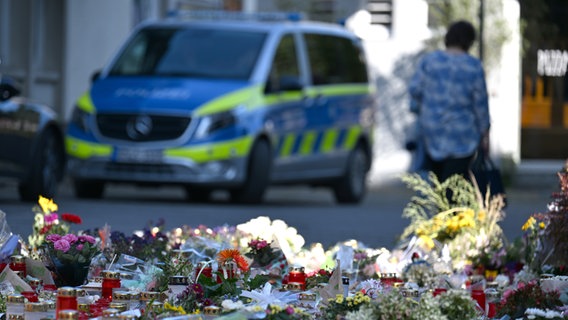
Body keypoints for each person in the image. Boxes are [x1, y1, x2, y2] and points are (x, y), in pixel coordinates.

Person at [408, 20, 490, 183]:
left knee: (437, 185)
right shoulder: (473, 66)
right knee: (455, 186)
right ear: (469, 41)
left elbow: (415, 90)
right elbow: (480, 104)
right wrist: (485, 134)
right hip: (462, 136)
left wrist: (424, 109)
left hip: (432, 134)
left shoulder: (429, 61)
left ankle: (441, 208)